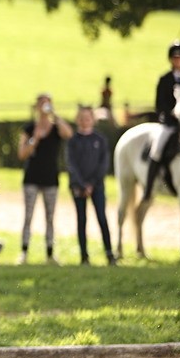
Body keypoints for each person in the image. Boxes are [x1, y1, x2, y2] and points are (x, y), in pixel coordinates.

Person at [17, 93, 73, 264]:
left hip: (51, 179)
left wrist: (55, 115)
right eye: (41, 103)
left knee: (50, 218)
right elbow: (22, 154)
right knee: (28, 216)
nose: (44, 106)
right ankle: (24, 252)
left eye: (47, 103)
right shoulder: (29, 129)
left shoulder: (56, 129)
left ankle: (50, 254)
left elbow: (69, 134)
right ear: (36, 106)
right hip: (32, 178)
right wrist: (35, 139)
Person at [144, 40, 180, 200]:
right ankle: (148, 187)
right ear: (171, 59)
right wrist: (173, 113)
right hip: (170, 123)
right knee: (157, 149)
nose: (178, 60)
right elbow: (159, 104)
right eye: (175, 58)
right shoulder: (164, 79)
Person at [67, 105, 115, 266]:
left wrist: (92, 184)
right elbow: (71, 165)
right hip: (78, 187)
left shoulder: (100, 140)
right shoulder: (73, 141)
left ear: (93, 120)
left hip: (97, 186)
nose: (85, 121)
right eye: (81, 118)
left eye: (87, 118)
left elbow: (103, 164)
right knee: (82, 220)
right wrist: (82, 185)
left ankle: (109, 253)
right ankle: (84, 256)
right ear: (77, 120)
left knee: (102, 217)